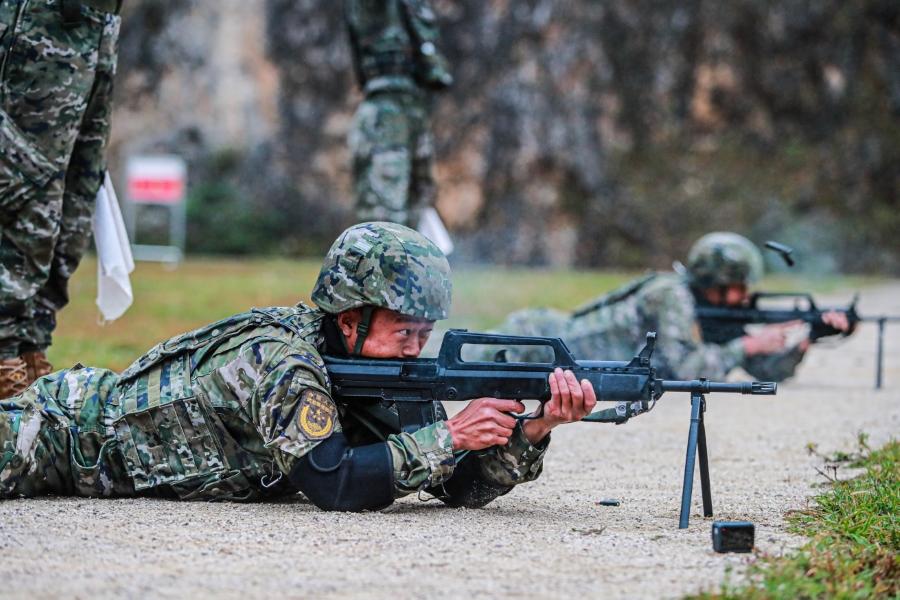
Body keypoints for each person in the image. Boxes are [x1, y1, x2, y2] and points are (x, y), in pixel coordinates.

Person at [0, 222, 596, 509]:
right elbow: (333, 480)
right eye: (402, 331)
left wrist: (532, 430)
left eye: (425, 332)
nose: (417, 347)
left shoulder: (384, 371)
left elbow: (454, 487)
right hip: (60, 432)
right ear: (349, 318)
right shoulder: (281, 360)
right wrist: (450, 433)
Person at [486, 232, 853, 382]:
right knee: (436, 362)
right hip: (532, 341)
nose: (744, 296)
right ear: (714, 283)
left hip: (552, 357)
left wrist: (808, 338)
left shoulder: (708, 310)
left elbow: (765, 371)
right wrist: (750, 343)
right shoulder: (672, 296)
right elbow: (682, 368)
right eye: (736, 287)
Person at [0, 0, 123, 397]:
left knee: (74, 208)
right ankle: (8, 383)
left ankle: (29, 367)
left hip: (97, 25)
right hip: (40, 20)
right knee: (24, 198)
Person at [344, 0, 452, 229]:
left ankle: (415, 260)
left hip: (415, 103)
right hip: (385, 106)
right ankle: (385, 262)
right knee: (384, 201)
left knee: (420, 195)